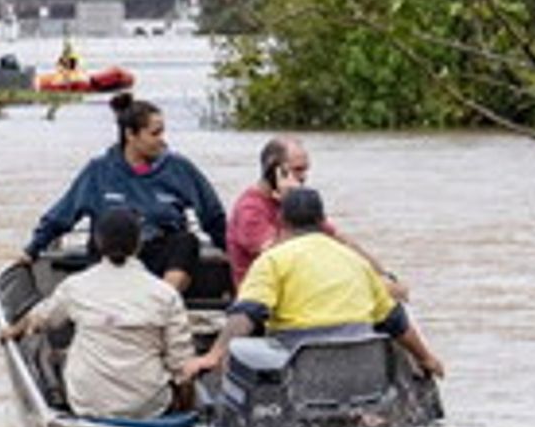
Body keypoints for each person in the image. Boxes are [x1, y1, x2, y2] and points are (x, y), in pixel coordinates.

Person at [186, 187, 443, 380]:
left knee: (245, 354)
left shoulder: (273, 260)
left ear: (281, 222)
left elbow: (247, 313)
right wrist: (427, 358)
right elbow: (396, 321)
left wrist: (214, 355)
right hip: (361, 377)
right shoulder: (355, 261)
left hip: (301, 375)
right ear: (322, 221)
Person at [22, 93, 227, 295]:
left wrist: (231, 250)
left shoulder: (179, 168)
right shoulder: (99, 170)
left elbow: (212, 215)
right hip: (111, 257)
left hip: (160, 254)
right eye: (155, 134)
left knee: (186, 242)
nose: (161, 140)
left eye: (162, 133)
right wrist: (31, 250)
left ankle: (163, 302)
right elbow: (61, 215)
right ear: (130, 135)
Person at [2, 207, 194, 419]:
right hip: (148, 406)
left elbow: (40, 318)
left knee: (61, 353)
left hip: (86, 403)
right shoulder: (165, 294)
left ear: (98, 243)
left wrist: (12, 330)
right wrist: (187, 406)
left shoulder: (76, 286)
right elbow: (182, 365)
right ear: (138, 244)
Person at [227, 135, 408, 300]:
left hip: (303, 287)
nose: (304, 177)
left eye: (306, 170)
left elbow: (342, 241)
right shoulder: (250, 210)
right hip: (264, 298)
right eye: (297, 170)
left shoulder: (301, 203)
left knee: (391, 290)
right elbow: (280, 257)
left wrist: (382, 273)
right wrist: (289, 201)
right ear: (274, 171)